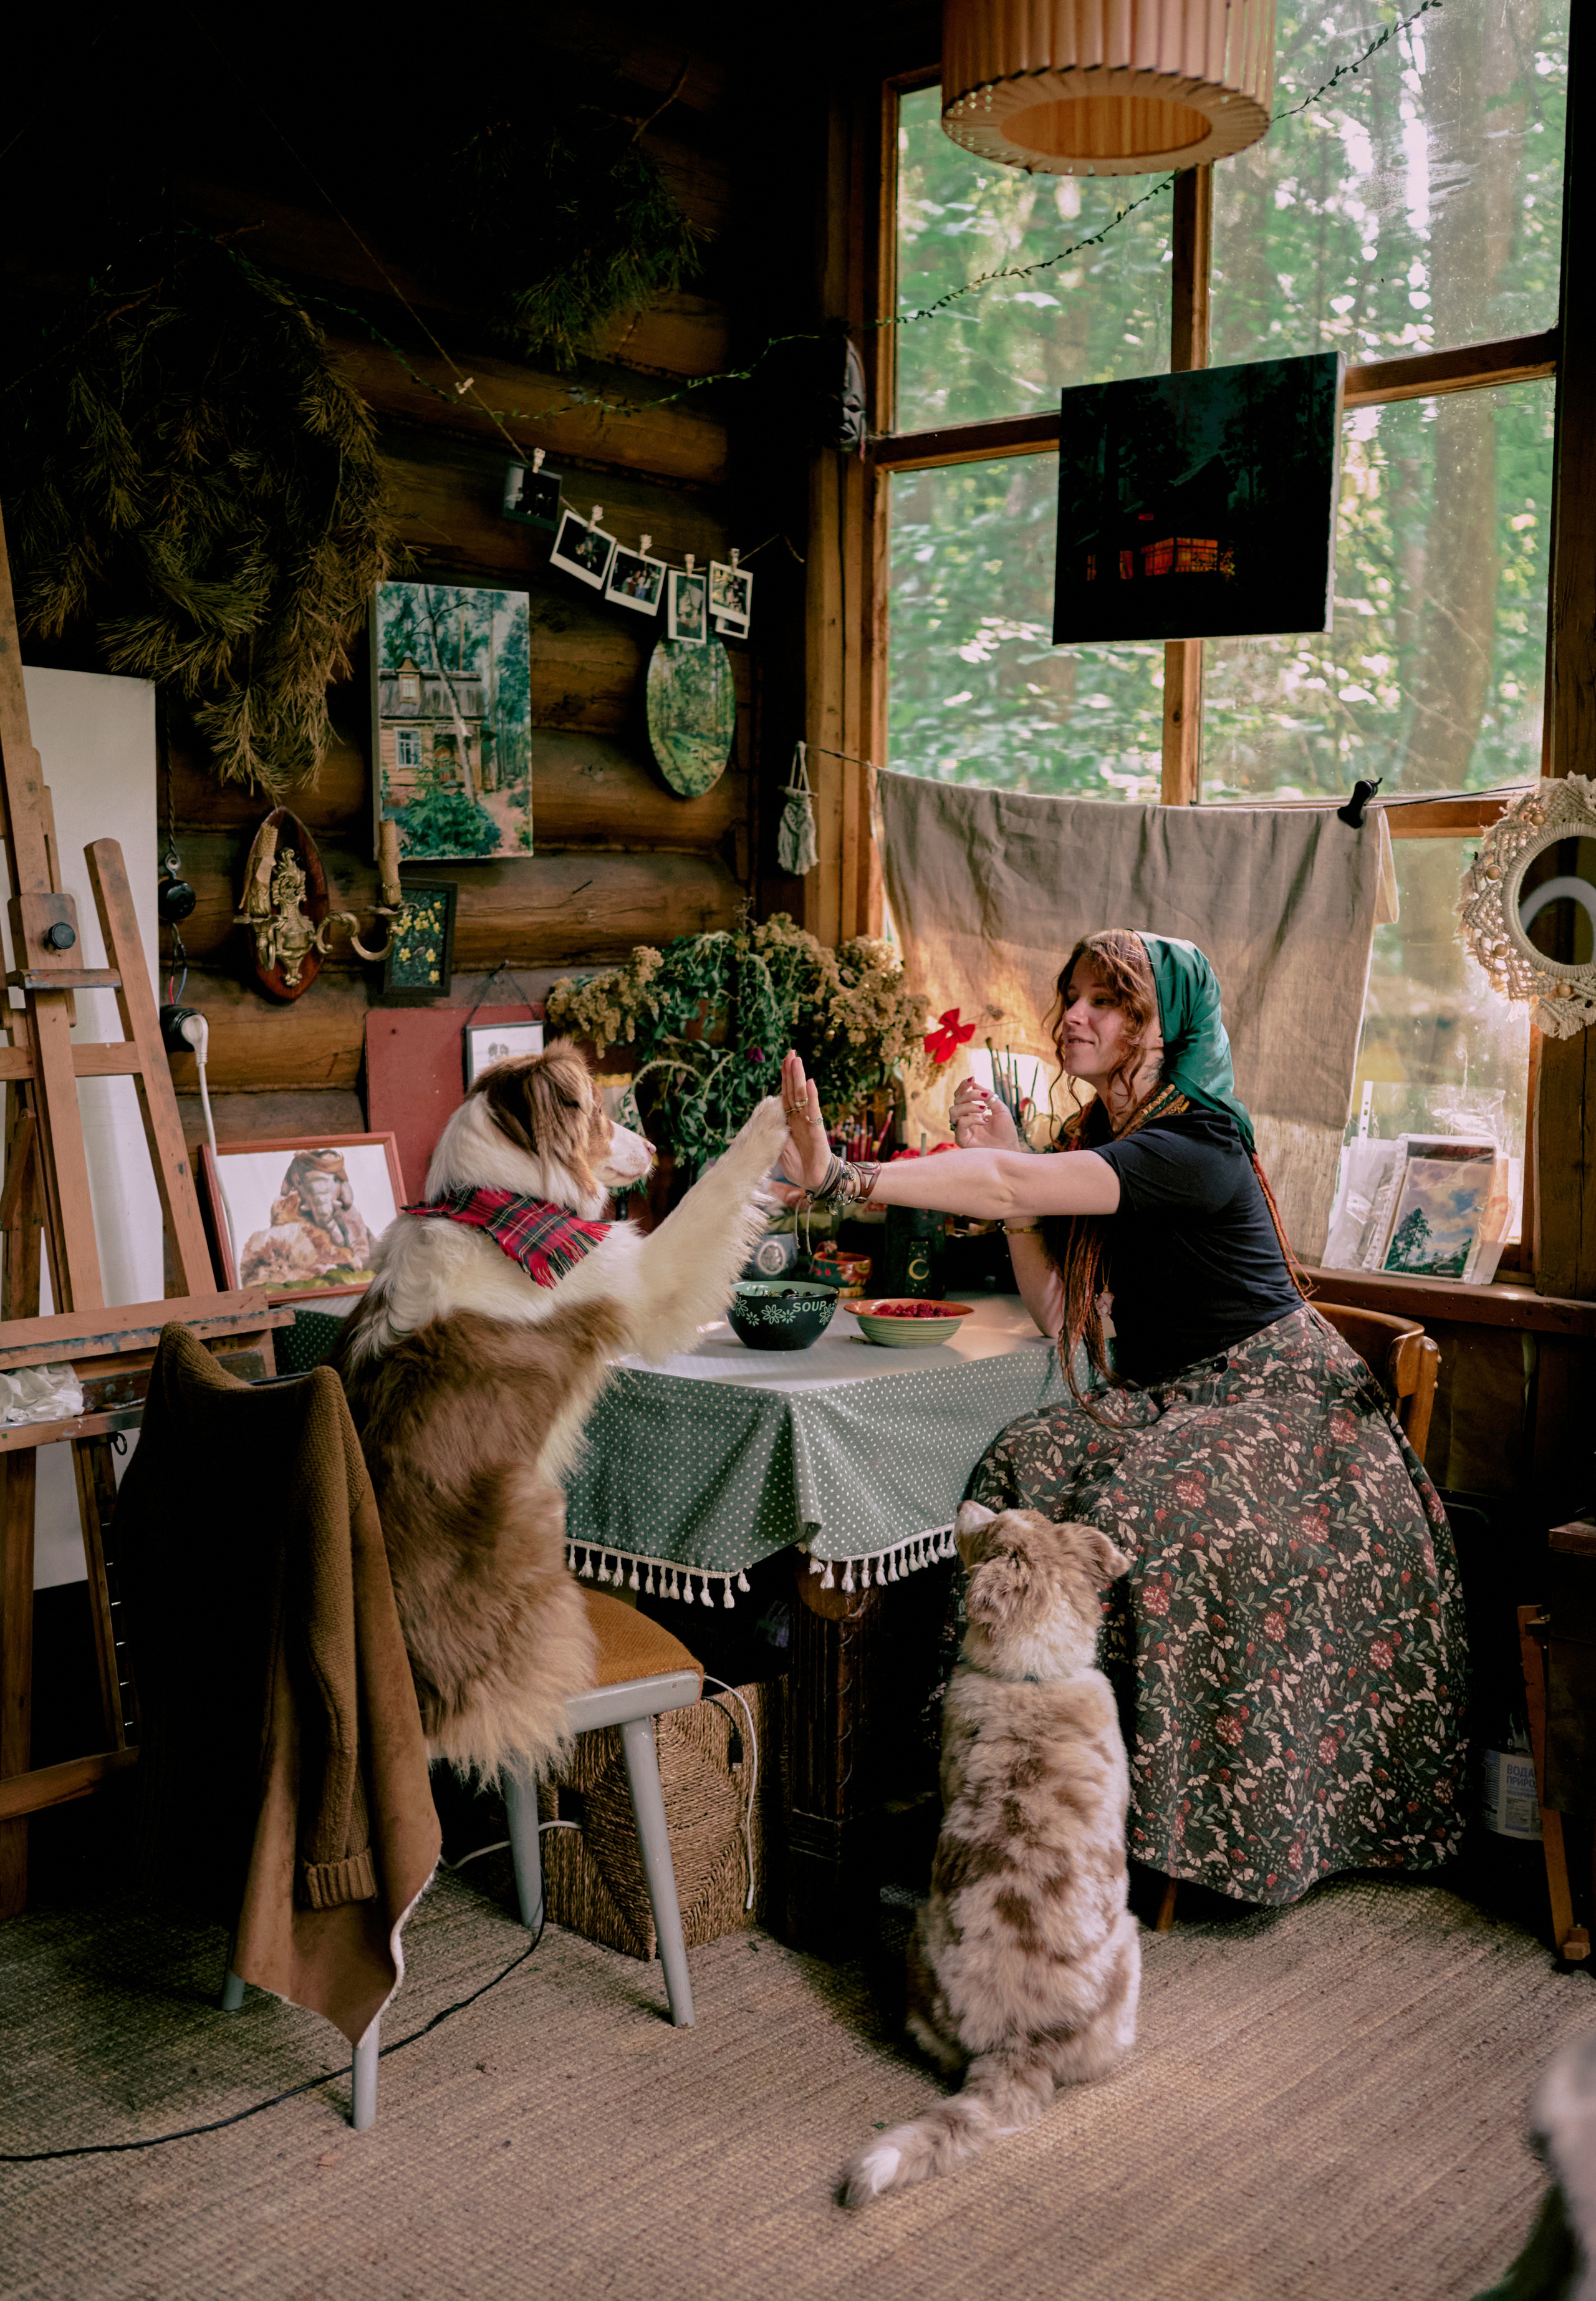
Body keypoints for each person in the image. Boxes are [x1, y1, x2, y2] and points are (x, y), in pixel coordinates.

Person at [776, 929, 1465, 1906]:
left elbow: (1013, 1183)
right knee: (1022, 1460)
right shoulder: (1093, 1141)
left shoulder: (1197, 1141)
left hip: (1288, 1402)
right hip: (1171, 1395)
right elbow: (1059, 1309)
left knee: (1135, 1509)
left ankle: (1155, 1829)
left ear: (1164, 1026)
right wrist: (1009, 1178)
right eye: (1074, 997)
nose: (1077, 1017)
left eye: (1111, 1002)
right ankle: (1000, 1791)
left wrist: (850, 1174)